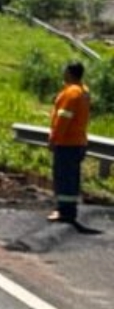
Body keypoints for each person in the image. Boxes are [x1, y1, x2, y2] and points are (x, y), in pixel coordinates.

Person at [48, 61, 90, 223]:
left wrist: (54, 139)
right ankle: (69, 210)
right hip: (79, 141)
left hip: (67, 142)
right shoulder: (83, 91)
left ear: (69, 73)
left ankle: (63, 211)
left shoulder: (71, 93)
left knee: (63, 177)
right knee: (72, 177)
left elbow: (63, 119)